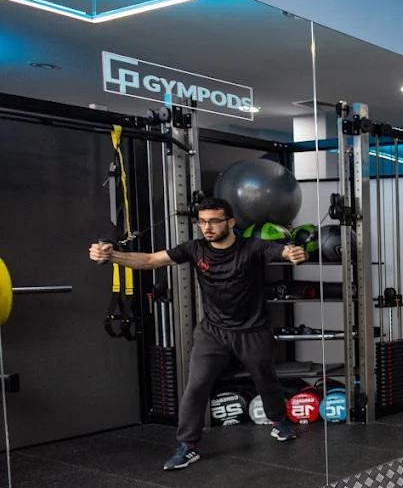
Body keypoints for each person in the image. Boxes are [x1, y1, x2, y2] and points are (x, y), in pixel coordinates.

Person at [88, 197, 307, 471]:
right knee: (196, 385)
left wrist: (294, 253)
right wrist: (111, 256)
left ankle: (280, 422)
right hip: (213, 331)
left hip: (252, 330)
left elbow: (285, 252)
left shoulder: (252, 247)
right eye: (203, 222)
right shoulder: (195, 249)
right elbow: (150, 260)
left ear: (230, 222)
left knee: (266, 380)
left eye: (215, 221)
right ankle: (188, 446)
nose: (208, 227)